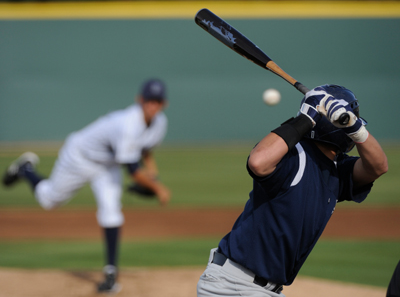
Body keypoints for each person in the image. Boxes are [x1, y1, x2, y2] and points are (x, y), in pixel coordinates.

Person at [197, 84, 388, 297]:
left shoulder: (337, 171)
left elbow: (378, 167)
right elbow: (258, 162)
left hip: (263, 290)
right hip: (234, 285)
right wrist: (307, 117)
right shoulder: (294, 154)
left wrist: (355, 127)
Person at [2, 78, 171, 293]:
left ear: (164, 103)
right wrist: (159, 189)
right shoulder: (129, 123)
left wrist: (153, 175)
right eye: (149, 100)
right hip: (80, 157)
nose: (152, 105)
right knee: (48, 200)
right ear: (140, 100)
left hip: (107, 166)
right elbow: (133, 171)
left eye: (157, 101)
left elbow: (145, 149)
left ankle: (111, 275)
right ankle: (25, 170)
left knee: (112, 213)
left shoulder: (160, 123)